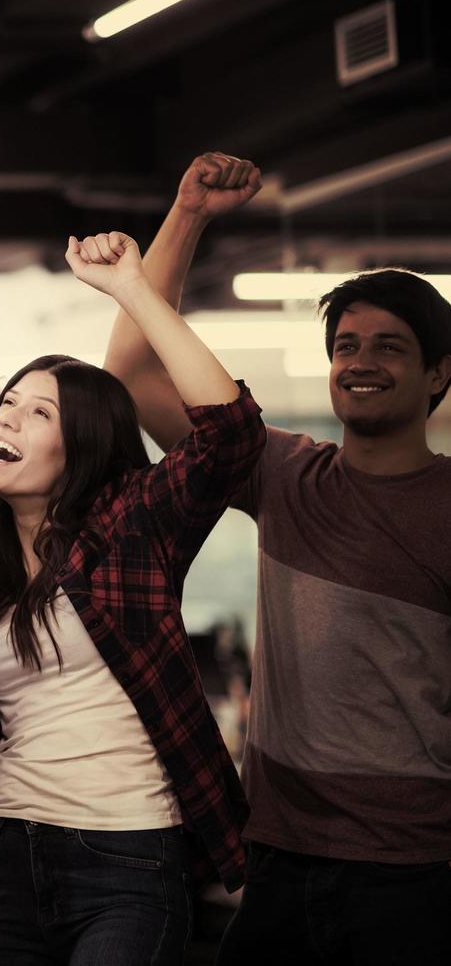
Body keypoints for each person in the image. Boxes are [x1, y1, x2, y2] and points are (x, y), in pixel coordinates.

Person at [103, 153, 451, 964]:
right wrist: (185, 215)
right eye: (346, 345)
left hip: (415, 871)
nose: (360, 362)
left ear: (437, 374)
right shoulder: (282, 472)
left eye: (389, 348)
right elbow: (128, 376)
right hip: (279, 858)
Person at [0, 229, 267, 965]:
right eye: (7, 404)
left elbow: (228, 435)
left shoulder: (133, 527)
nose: (4, 418)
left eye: (38, 413)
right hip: (5, 850)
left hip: (128, 855)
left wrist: (131, 288)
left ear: (84, 445)